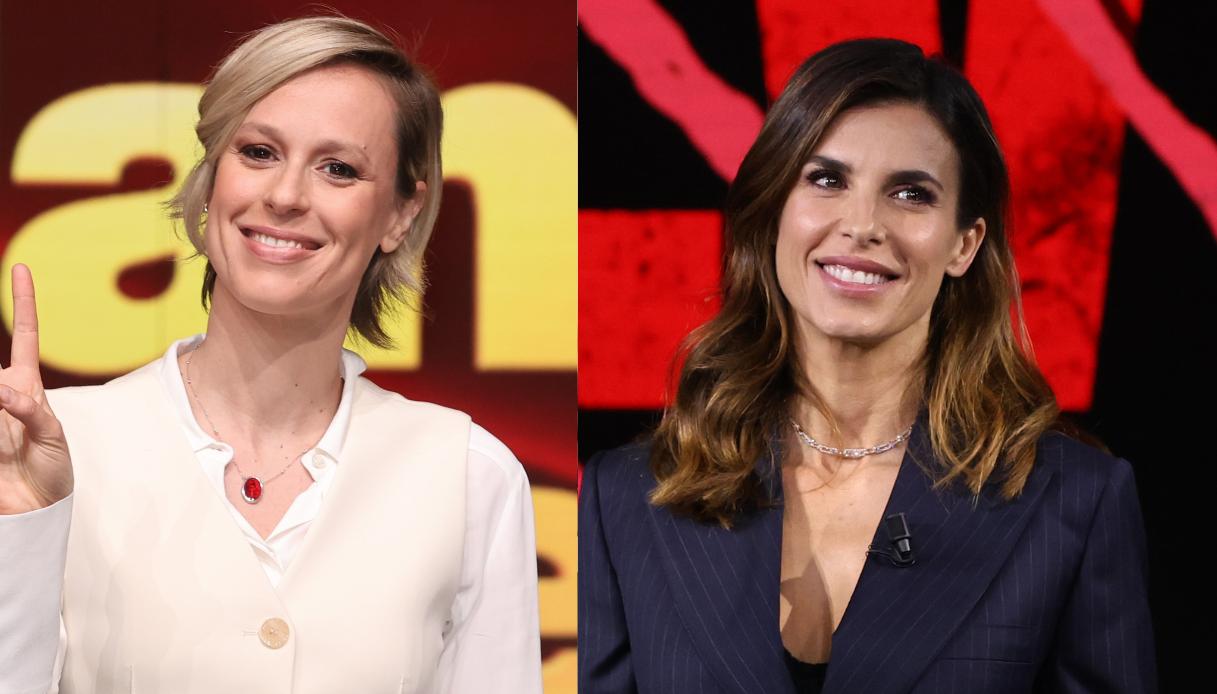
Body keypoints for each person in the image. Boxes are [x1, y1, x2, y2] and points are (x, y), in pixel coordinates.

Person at [578, 38, 1156, 693]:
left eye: (910, 194)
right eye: (827, 180)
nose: (862, 225)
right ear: (774, 210)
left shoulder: (1073, 503)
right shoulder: (626, 499)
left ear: (964, 244)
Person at [0, 16, 542, 694]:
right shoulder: (49, 448)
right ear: (211, 178)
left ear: (401, 213)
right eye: (258, 152)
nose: (285, 196)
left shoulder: (470, 475)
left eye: (338, 169)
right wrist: (20, 530)